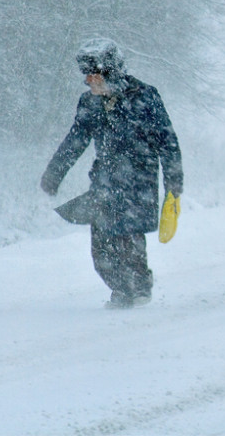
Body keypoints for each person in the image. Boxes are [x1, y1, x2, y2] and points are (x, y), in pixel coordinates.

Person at [41, 38, 183, 309]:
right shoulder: (89, 103)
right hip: (104, 182)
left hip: (138, 182)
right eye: (87, 77)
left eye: (94, 76)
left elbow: (168, 142)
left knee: (128, 239)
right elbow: (76, 140)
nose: (89, 82)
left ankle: (139, 289)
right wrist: (54, 172)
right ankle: (121, 289)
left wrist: (173, 183)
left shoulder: (145, 96)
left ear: (111, 72)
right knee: (101, 248)